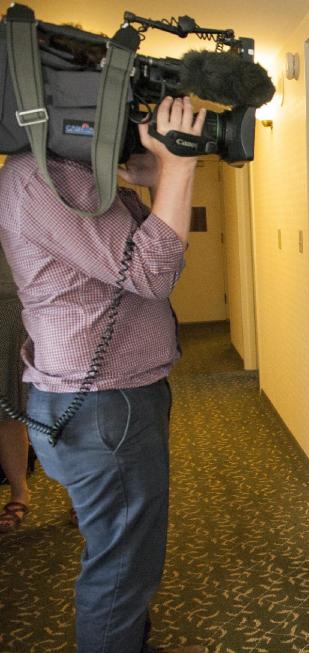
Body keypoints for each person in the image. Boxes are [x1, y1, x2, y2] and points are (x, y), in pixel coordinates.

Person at [0, 96, 208, 653]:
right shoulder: (46, 177)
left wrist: (143, 174)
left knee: (124, 553)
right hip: (104, 404)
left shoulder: (68, 175)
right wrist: (181, 164)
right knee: (121, 568)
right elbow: (152, 270)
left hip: (110, 396)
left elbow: (145, 248)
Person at [0, 249, 30, 534]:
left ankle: (79, 495)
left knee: (55, 407)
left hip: (29, 297)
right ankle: (19, 493)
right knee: (6, 409)